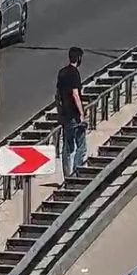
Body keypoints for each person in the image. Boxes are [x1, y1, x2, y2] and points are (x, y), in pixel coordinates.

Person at [55, 46, 87, 178]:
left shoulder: (61, 72)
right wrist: (82, 113)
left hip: (65, 115)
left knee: (67, 147)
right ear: (78, 59)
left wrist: (59, 112)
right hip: (74, 115)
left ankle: (67, 175)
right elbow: (75, 94)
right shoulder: (75, 73)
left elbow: (57, 95)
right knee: (81, 146)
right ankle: (76, 172)